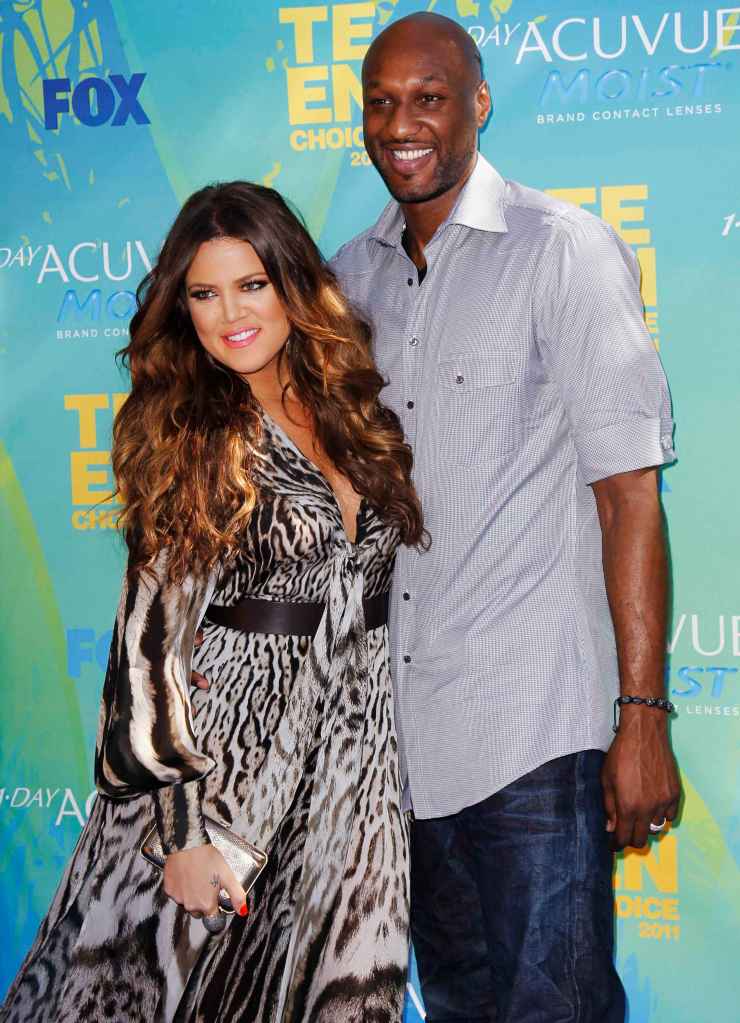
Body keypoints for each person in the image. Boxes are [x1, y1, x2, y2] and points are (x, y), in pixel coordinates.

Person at [1, 182, 425, 1023]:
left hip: (353, 775)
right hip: (224, 773)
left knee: (337, 994)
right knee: (161, 994)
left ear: (293, 287)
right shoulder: (191, 428)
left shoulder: (350, 409)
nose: (229, 312)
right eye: (204, 292)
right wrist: (182, 831)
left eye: (251, 285)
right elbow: (146, 640)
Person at [330, 12, 681, 1023]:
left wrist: (641, 718)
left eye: (428, 97)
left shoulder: (561, 250)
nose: (402, 122)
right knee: (460, 1005)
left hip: (533, 728)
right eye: (381, 101)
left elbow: (626, 493)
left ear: (476, 105)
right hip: (405, 738)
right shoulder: (349, 276)